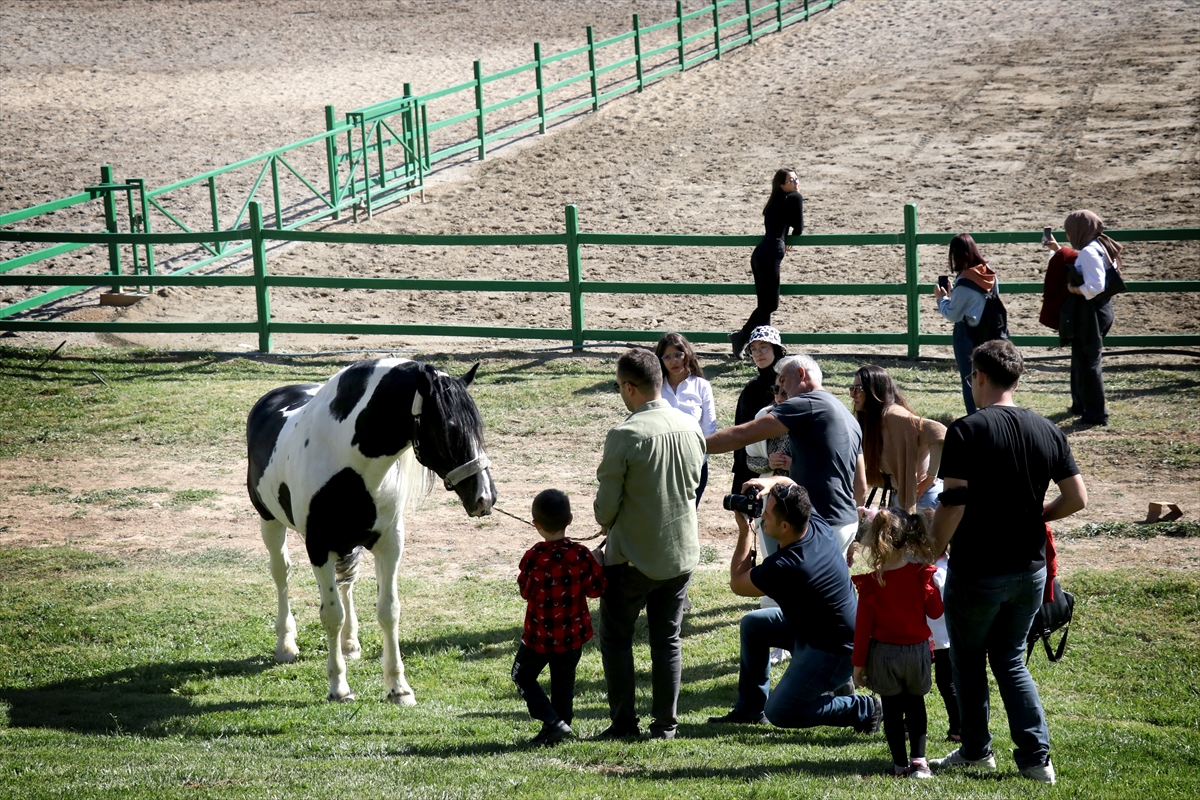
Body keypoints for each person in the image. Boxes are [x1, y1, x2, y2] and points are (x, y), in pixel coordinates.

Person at [929, 339, 1088, 786]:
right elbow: (1078, 498)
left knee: (968, 660)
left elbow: (954, 503)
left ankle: (977, 752)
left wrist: (934, 547)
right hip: (1030, 569)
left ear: (978, 376)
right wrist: (1038, 516)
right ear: (1015, 378)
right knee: (1011, 660)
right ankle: (1037, 761)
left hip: (979, 567)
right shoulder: (1048, 429)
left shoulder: (967, 430)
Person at [706, 478, 882, 734]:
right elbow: (790, 482)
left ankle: (865, 708)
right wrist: (768, 484)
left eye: (766, 514)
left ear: (785, 526)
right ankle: (750, 708)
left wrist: (745, 531)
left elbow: (738, 583)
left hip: (835, 649)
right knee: (754, 624)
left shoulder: (789, 565)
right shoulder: (813, 523)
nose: (761, 516)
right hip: (816, 628)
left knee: (781, 711)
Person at [593, 348, 706, 741]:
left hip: (633, 559)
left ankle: (624, 722)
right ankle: (666, 723)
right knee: (667, 639)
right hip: (681, 553)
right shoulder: (691, 425)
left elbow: (604, 511)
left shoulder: (624, 434)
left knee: (616, 637)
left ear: (629, 387)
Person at [707, 352, 866, 557]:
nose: (780, 388)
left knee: (791, 588)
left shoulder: (806, 403)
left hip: (818, 522)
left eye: (783, 380)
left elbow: (743, 435)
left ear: (801, 374)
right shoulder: (846, 414)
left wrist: (695, 444)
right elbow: (860, 481)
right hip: (845, 521)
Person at [851, 508, 944, 779]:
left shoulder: (872, 582)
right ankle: (920, 762)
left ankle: (899, 765)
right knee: (916, 706)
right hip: (917, 653)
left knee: (891, 712)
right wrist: (934, 587)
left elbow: (862, 631)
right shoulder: (921, 575)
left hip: (883, 655)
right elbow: (936, 613)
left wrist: (858, 666)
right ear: (911, 536)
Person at [512, 489, 606, 746]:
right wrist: (597, 562)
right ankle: (560, 725)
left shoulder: (533, 558)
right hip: (571, 637)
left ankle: (553, 723)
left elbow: (524, 591)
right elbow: (597, 589)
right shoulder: (582, 555)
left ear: (536, 524)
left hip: (538, 638)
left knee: (521, 676)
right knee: (563, 685)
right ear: (570, 519)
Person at [1045, 210, 1122, 426]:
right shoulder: (1101, 245)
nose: (1069, 236)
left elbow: (1095, 286)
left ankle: (1096, 414)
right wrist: (1058, 250)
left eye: (1070, 231)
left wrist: (1074, 289)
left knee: (1088, 363)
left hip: (1091, 313)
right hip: (1102, 310)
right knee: (1082, 359)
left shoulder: (1089, 251)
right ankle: (1080, 404)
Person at [850, 365, 946, 513]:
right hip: (903, 498)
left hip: (925, 499)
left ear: (873, 390)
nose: (853, 394)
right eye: (852, 388)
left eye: (858, 389)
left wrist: (929, 478)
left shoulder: (895, 416)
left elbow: (938, 431)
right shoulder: (875, 420)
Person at [729, 168, 803, 357]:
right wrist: (792, 235)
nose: (796, 183)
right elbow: (799, 228)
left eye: (796, 179)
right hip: (771, 253)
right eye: (791, 180)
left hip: (760, 253)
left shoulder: (773, 202)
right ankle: (742, 335)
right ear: (782, 185)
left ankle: (763, 347)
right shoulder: (794, 198)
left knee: (764, 304)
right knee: (771, 304)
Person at [934, 233, 1008, 416]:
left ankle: (974, 416)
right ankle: (995, 412)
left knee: (970, 378)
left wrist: (941, 298)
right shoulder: (989, 272)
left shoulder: (964, 283)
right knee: (991, 376)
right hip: (991, 330)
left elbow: (952, 314)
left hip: (967, 334)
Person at [655, 332, 718, 503]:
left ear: (687, 354)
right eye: (667, 356)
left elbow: (709, 428)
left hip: (695, 463)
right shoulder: (655, 388)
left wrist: (697, 461)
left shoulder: (702, 386)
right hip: (661, 464)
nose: (673, 361)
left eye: (678, 354)